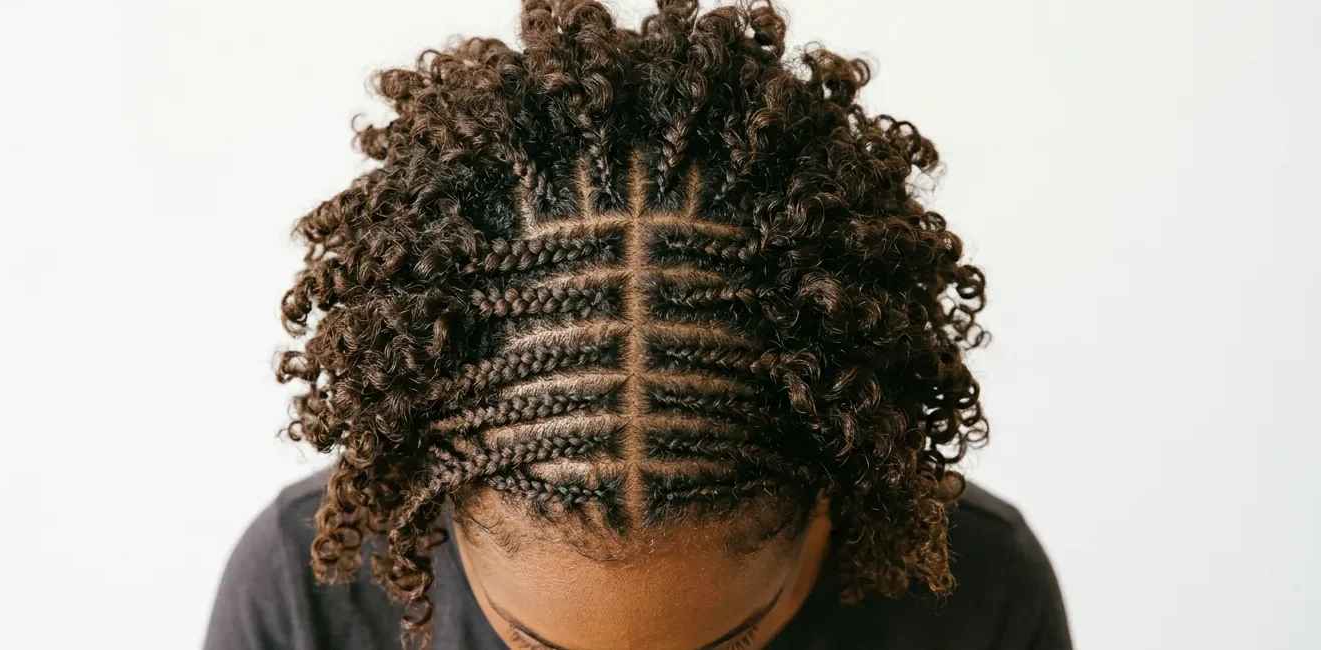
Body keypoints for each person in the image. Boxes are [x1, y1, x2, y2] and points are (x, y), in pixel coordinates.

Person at [204, 1, 1072, 648]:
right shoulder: (305, 600)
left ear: (829, 500)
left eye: (722, 647)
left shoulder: (977, 599)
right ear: (438, 506)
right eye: (535, 648)